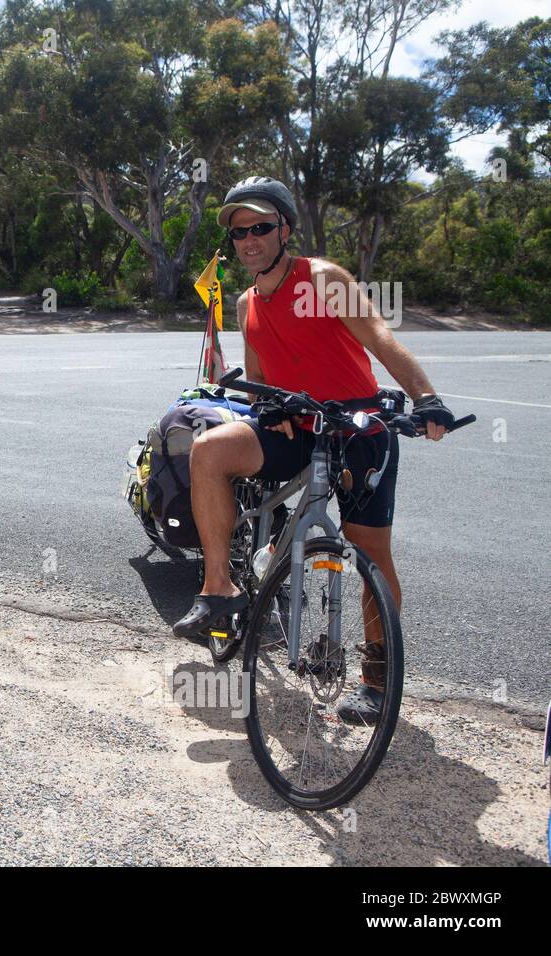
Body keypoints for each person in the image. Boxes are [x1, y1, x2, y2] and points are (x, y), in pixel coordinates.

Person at [174, 176, 459, 723]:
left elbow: (379, 335)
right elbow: (258, 377)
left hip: (356, 427)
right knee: (208, 450)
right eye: (239, 233)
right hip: (297, 428)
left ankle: (377, 680)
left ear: (284, 229)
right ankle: (219, 590)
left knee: (371, 554)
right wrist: (270, 412)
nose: (249, 240)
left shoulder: (324, 279)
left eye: (260, 227)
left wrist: (427, 398)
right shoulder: (245, 304)